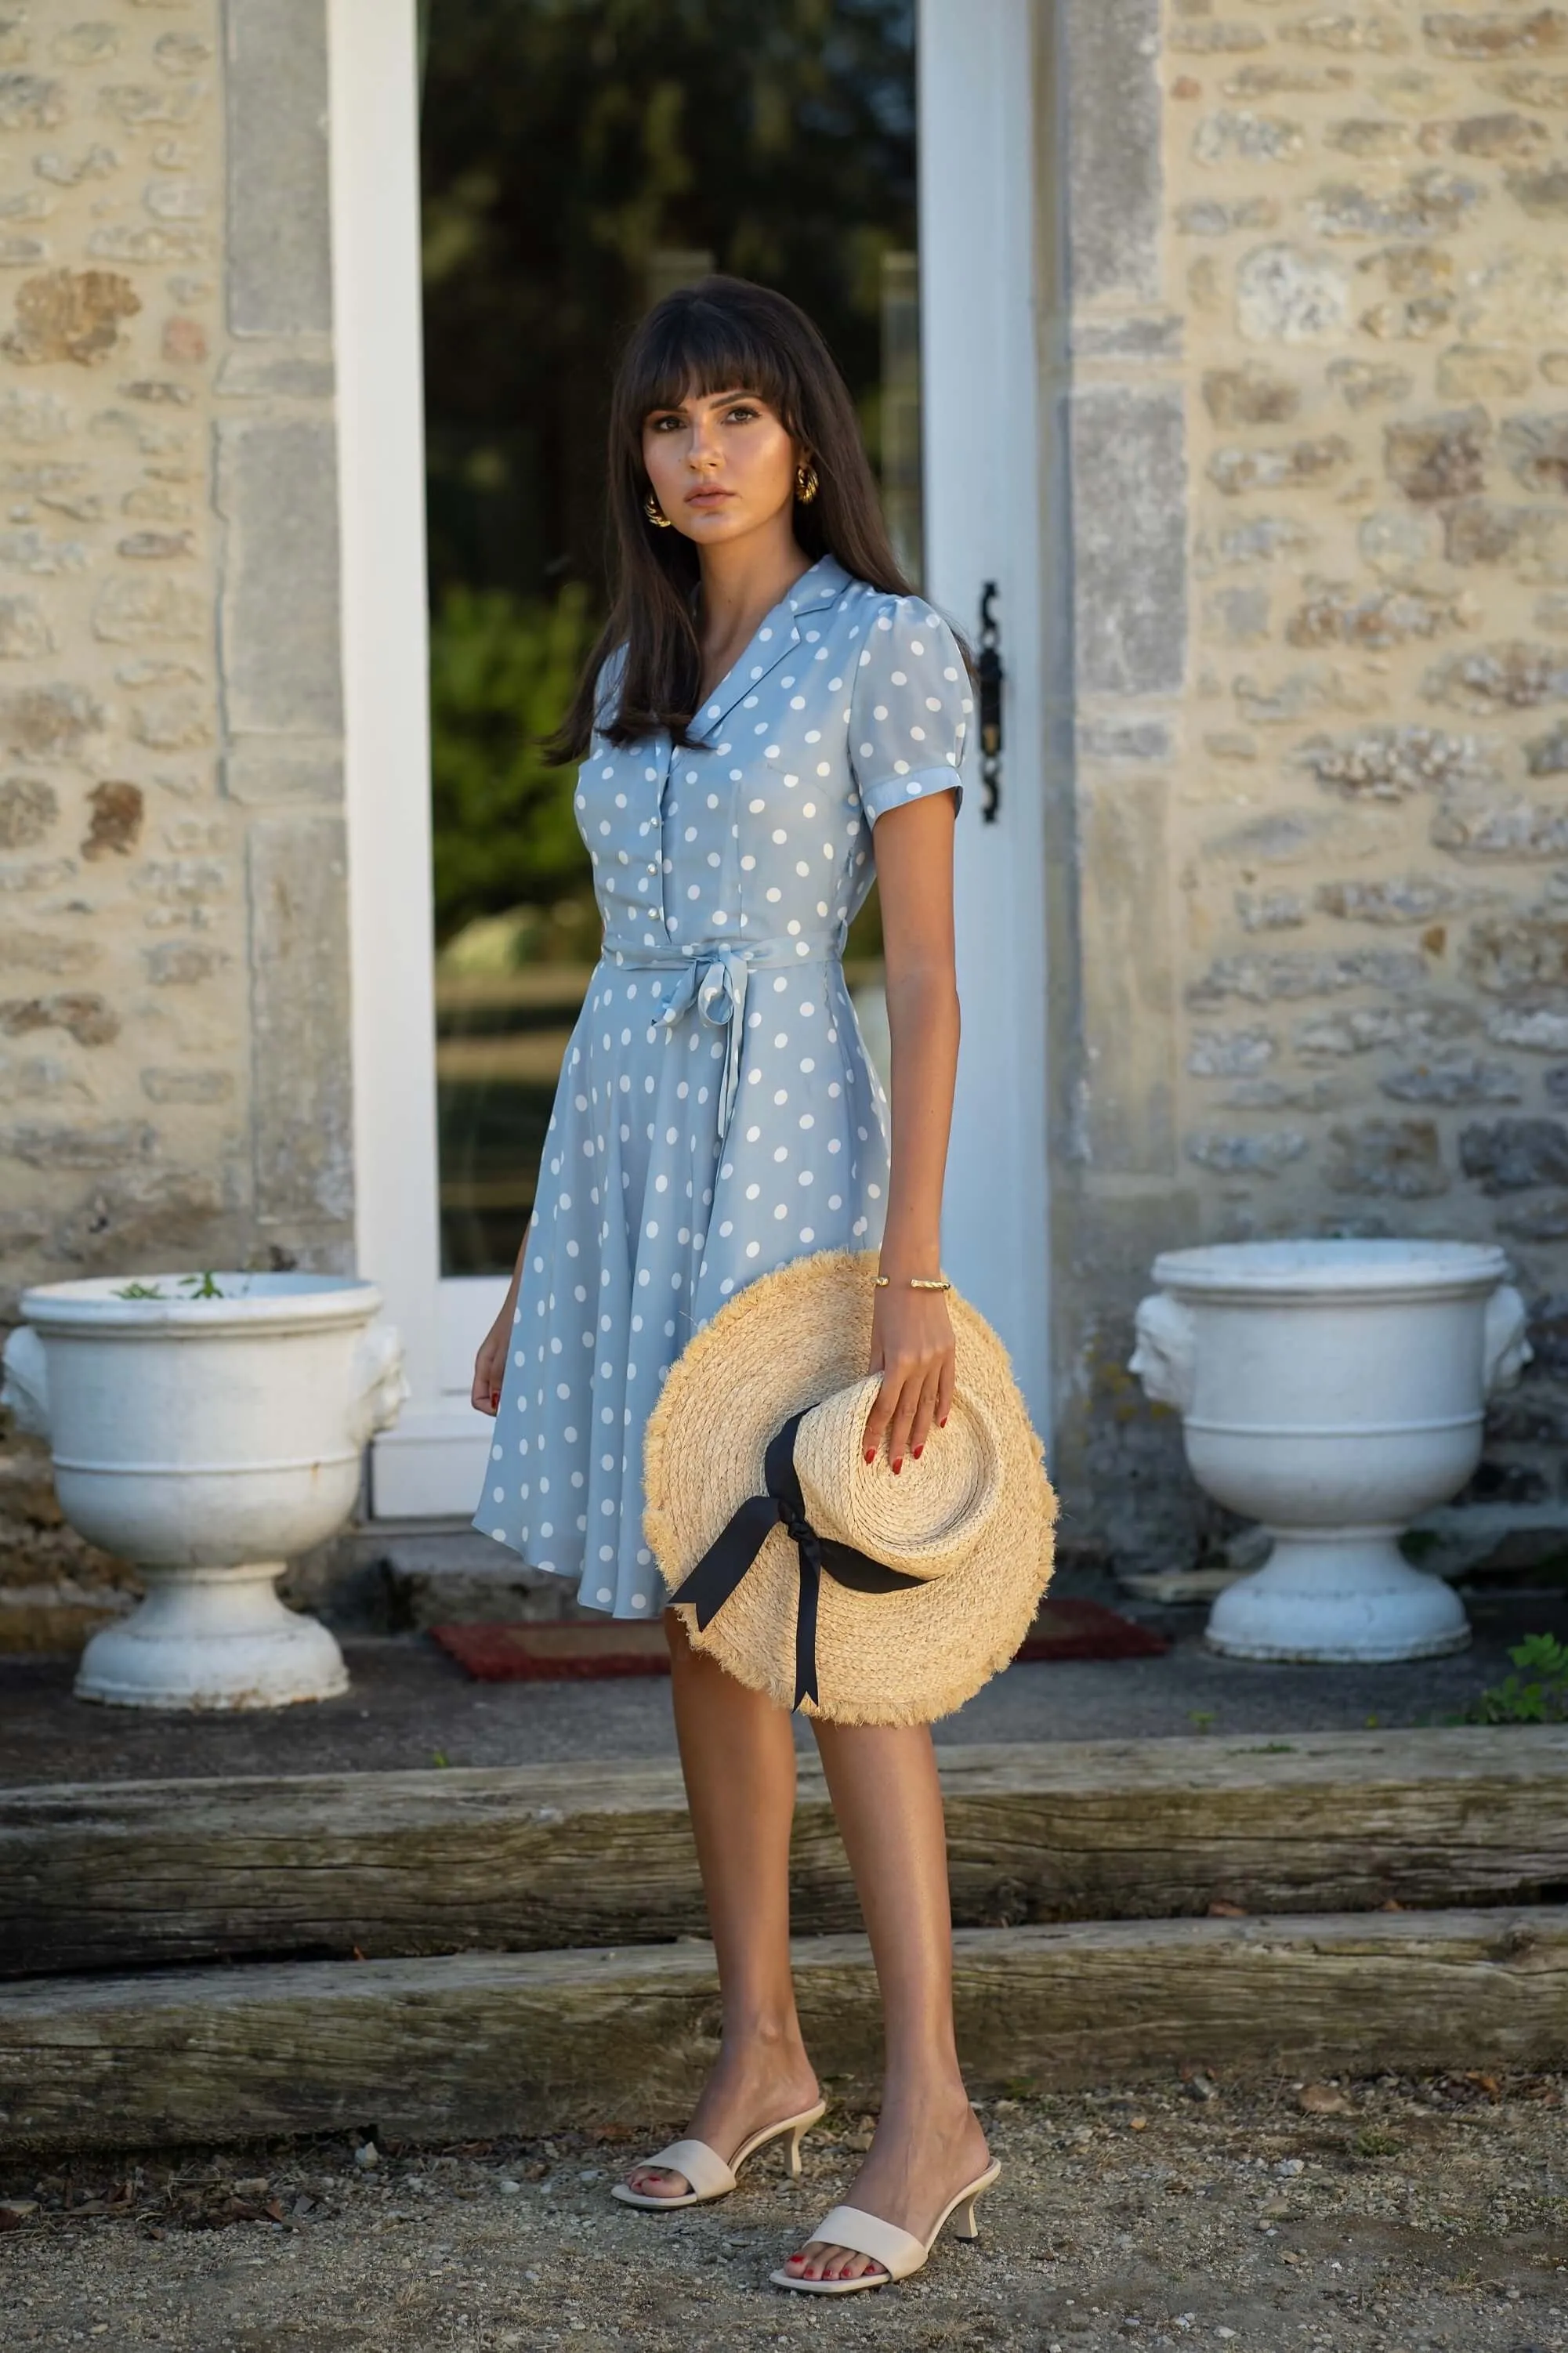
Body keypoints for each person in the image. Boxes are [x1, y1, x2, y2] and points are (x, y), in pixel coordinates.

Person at [473, 274, 987, 2291]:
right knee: (702, 1617)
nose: (698, 451)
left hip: (794, 1155)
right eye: (668, 420)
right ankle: (762, 2049)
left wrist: (915, 1267)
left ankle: (930, 2103)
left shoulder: (887, 646)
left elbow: (927, 982)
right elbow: (605, 994)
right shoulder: (632, 659)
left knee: (838, 1615)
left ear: (802, 438)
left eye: (737, 416)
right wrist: (532, 1273)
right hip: (625, 1161)